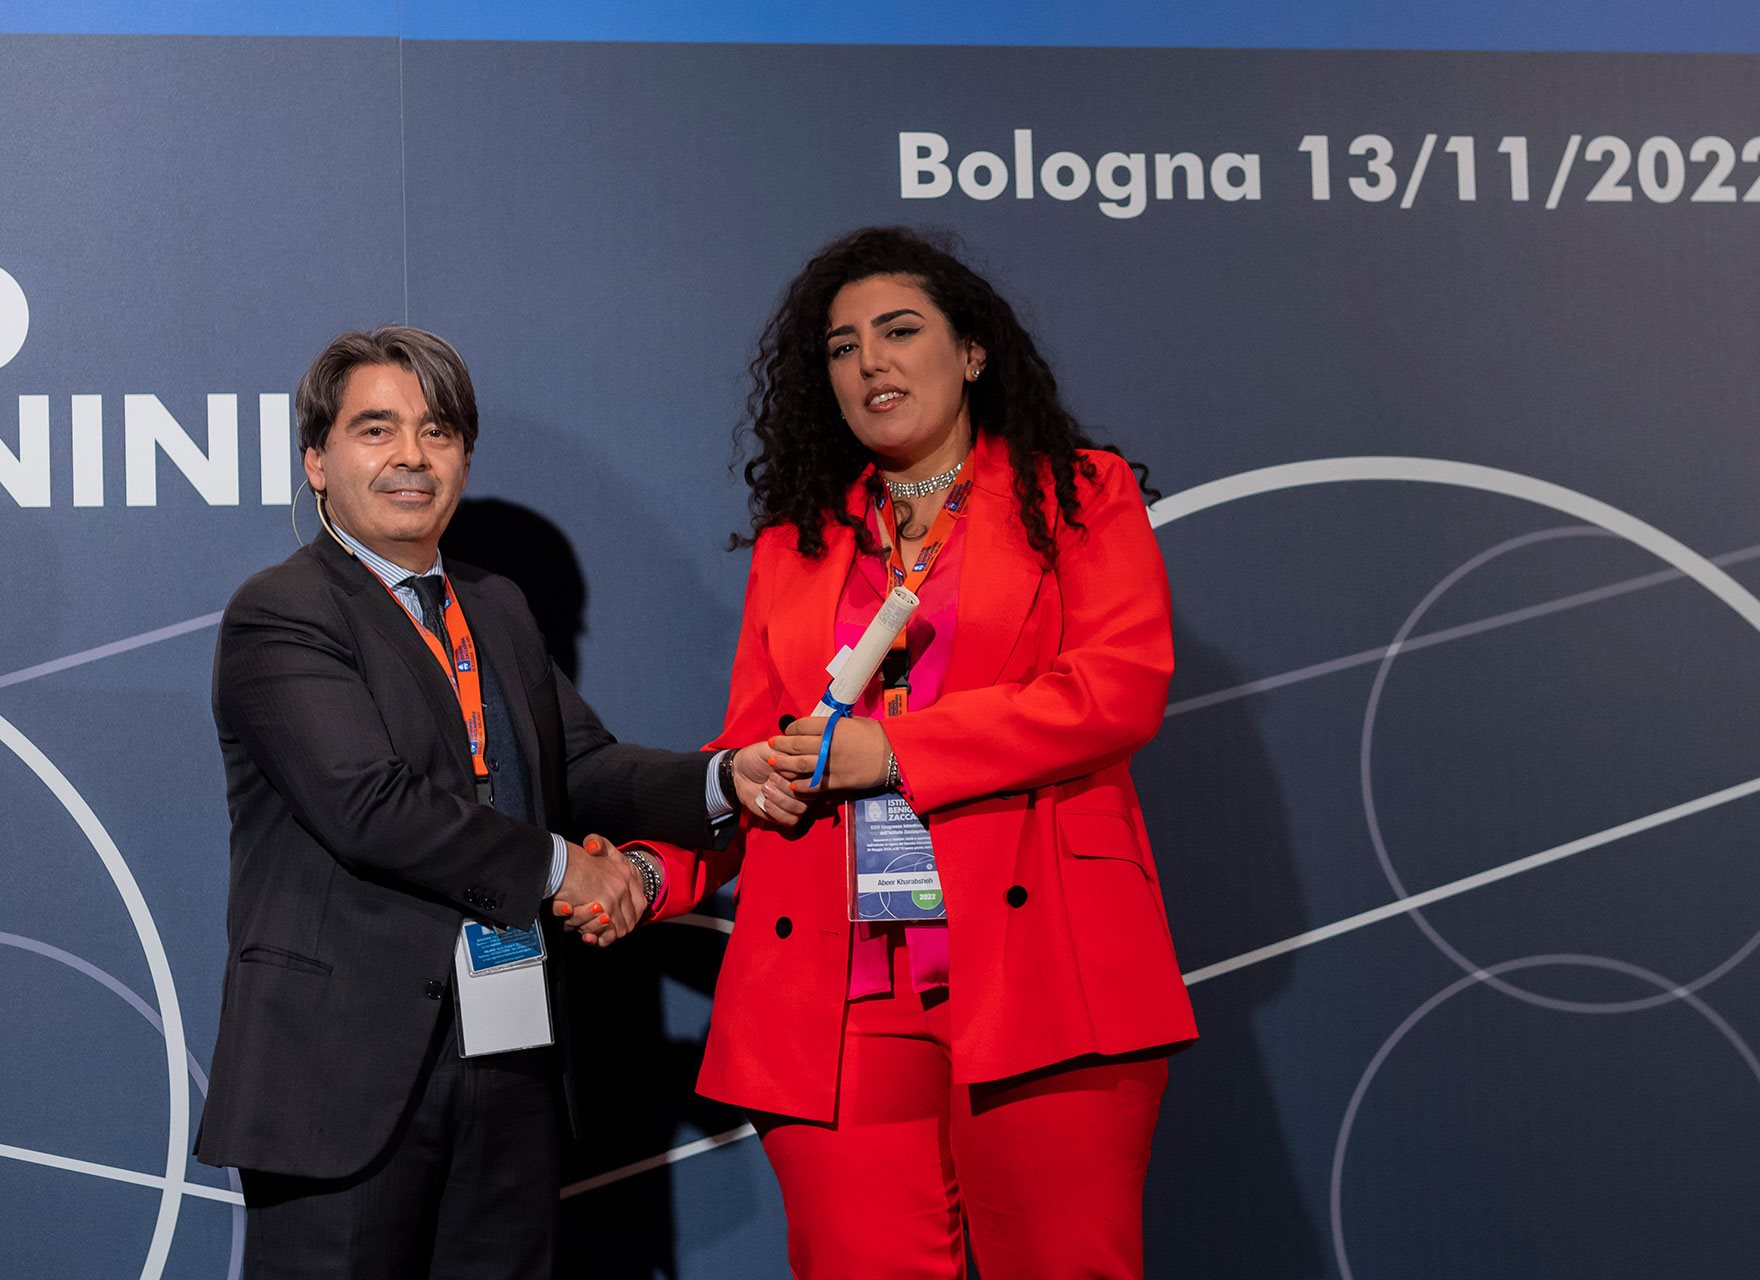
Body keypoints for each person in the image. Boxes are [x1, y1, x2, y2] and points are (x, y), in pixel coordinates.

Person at [646, 227, 1198, 1277]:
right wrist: (647, 872)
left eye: (899, 332)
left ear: (973, 350)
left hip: (1045, 964)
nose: (871, 362)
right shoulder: (796, 541)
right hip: (837, 987)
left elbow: (1114, 690)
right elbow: (757, 747)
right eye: (842, 347)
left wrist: (890, 751)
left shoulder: (1078, 494)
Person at [195, 325, 793, 1279]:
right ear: (317, 460)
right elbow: (369, 804)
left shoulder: (496, 605)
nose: (411, 456)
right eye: (376, 430)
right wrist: (566, 870)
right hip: (344, 1073)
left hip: (510, 1053)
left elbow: (581, 764)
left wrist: (725, 779)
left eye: (437, 431)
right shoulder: (282, 610)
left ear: (464, 459)